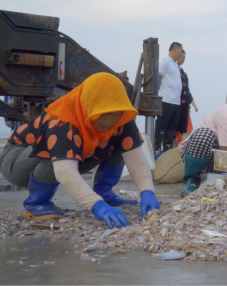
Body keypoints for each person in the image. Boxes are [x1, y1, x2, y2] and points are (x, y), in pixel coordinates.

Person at [0, 73, 160, 228]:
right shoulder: (62, 122)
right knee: (55, 149)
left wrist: (147, 191)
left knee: (121, 142)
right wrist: (96, 205)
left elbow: (136, 158)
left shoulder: (121, 120)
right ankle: (37, 202)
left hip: (61, 157)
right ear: (90, 105)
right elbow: (65, 172)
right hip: (16, 161)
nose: (109, 120)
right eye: (104, 114)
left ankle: (104, 192)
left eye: (115, 114)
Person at [155, 42, 183, 154]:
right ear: (174, 49)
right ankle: (157, 148)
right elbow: (159, 77)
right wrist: (157, 94)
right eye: (180, 52)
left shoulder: (175, 64)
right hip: (166, 99)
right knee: (162, 125)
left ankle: (167, 148)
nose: (181, 54)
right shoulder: (165, 62)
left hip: (176, 101)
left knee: (171, 127)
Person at [176, 50, 198, 138]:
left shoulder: (184, 73)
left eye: (184, 57)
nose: (183, 59)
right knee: (174, 125)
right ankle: (172, 144)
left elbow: (187, 90)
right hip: (176, 102)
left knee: (183, 126)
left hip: (185, 103)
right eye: (182, 57)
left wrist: (193, 105)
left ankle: (179, 144)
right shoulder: (173, 71)